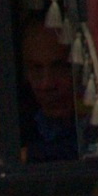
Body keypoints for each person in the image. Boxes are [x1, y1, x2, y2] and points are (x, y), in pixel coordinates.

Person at [18, 23, 79, 163]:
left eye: (61, 67)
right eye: (36, 69)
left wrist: (32, 155)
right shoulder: (14, 121)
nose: (47, 84)